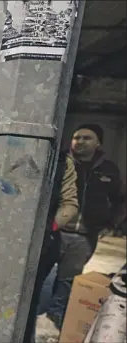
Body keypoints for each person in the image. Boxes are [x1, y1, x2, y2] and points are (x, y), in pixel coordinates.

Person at [46, 123, 126, 328]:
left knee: (67, 279)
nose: (79, 142)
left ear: (98, 142)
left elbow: (120, 199)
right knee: (40, 273)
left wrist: (112, 224)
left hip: (84, 236)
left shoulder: (109, 170)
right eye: (76, 138)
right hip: (55, 232)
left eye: (86, 138)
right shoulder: (60, 163)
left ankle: (55, 316)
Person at [23, 150, 78, 343]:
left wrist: (47, 229)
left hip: (40, 247)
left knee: (28, 300)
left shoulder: (62, 160)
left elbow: (70, 204)